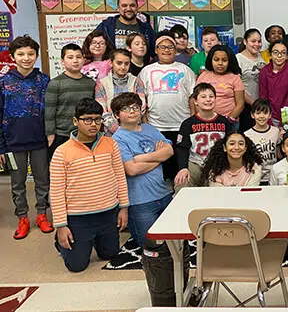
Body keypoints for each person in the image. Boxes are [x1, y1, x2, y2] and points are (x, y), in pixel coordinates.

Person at [50, 98, 129, 273]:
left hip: (108, 213)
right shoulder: (61, 152)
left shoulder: (111, 144)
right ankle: (61, 240)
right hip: (78, 218)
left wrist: (124, 207)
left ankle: (92, 240)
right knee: (77, 266)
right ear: (75, 121)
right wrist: (61, 226)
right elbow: (56, 191)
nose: (93, 124)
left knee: (110, 254)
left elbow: (120, 177)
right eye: (87, 120)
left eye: (97, 119)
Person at [0, 36, 53, 240]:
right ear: (13, 56)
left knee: (42, 180)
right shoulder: (4, 83)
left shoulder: (44, 80)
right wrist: (1, 147)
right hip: (13, 143)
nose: (26, 58)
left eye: (31, 54)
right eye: (21, 54)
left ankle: (41, 214)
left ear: (37, 56)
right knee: (18, 182)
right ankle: (22, 217)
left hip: (40, 140)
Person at [111, 93, 173, 248]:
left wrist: (140, 157)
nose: (132, 111)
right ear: (117, 115)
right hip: (140, 200)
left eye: (135, 107)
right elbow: (131, 169)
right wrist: (158, 157)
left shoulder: (150, 129)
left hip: (164, 193)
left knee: (173, 239)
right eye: (126, 108)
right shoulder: (117, 139)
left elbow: (169, 151)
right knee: (149, 244)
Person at [137, 33, 196, 183]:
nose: (166, 50)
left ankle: (179, 193)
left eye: (170, 47)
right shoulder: (146, 71)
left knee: (181, 163)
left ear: (175, 50)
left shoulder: (185, 69)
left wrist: (192, 119)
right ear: (156, 50)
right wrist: (145, 124)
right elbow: (142, 99)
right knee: (160, 165)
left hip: (181, 124)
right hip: (156, 126)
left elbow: (192, 97)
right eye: (162, 47)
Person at [174, 83, 231, 188]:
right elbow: (182, 148)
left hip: (218, 164)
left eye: (211, 96)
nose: (208, 100)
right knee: (181, 181)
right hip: (196, 163)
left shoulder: (224, 122)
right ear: (195, 101)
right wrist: (183, 168)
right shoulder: (188, 124)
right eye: (203, 97)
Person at [45, 44, 96, 161]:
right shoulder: (55, 83)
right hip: (61, 135)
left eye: (78, 57)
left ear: (83, 59)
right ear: (62, 61)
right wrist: (50, 135)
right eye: (70, 57)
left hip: (84, 135)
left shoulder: (90, 83)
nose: (75, 61)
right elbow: (49, 112)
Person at [95, 49, 145, 137]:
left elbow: (142, 106)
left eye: (126, 64)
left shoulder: (136, 81)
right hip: (111, 133)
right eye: (119, 63)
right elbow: (101, 109)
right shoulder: (102, 84)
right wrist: (116, 129)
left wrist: (132, 125)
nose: (123, 67)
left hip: (135, 129)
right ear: (111, 63)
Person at [197, 45, 245, 129]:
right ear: (210, 60)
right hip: (205, 122)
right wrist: (202, 118)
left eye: (224, 60)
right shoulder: (203, 76)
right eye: (216, 60)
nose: (220, 63)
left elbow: (240, 104)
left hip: (230, 122)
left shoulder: (235, 78)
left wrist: (229, 120)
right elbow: (196, 99)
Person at [259, 40, 288, 127]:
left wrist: (284, 123)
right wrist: (268, 120)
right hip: (269, 115)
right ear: (270, 54)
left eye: (283, 53)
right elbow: (263, 97)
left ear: (287, 56)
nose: (279, 56)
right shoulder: (264, 71)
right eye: (275, 52)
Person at [236, 29, 267, 132]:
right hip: (246, 107)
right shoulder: (238, 59)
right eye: (253, 41)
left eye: (259, 41)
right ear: (245, 42)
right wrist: (253, 103)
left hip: (261, 106)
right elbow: (236, 87)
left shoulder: (261, 57)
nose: (257, 44)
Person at [244, 99, 281, 184]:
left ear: (270, 115)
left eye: (265, 113)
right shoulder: (247, 135)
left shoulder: (275, 131)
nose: (261, 116)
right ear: (252, 115)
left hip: (273, 176)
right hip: (255, 176)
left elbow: (278, 154)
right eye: (258, 113)